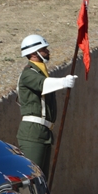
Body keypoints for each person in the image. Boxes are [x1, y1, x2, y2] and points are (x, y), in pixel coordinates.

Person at [16, 34, 77, 178]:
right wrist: (63, 82)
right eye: (44, 49)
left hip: (44, 131)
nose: (47, 52)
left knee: (42, 179)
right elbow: (42, 84)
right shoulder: (28, 73)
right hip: (33, 132)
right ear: (33, 53)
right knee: (32, 178)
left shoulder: (42, 73)